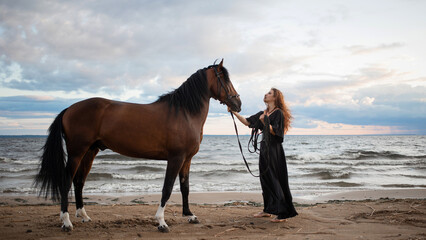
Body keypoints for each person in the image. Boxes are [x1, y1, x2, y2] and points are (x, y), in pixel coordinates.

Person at [229, 88, 298, 222]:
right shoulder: (263, 113)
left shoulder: (278, 113)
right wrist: (234, 112)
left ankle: (283, 213)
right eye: (267, 93)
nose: (266, 94)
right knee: (265, 179)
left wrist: (265, 121)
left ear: (275, 98)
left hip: (274, 149)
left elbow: (277, 132)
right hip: (265, 148)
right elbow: (248, 122)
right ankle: (268, 209)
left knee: (274, 179)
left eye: (269, 93)